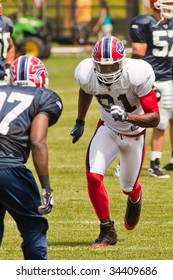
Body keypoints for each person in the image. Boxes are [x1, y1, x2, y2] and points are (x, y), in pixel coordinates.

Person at [70, 36, 160, 247]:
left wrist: (128, 117)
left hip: (134, 134)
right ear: (95, 63)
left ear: (122, 62)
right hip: (108, 129)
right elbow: (86, 90)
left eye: (112, 66)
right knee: (93, 176)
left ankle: (135, 195)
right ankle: (107, 230)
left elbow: (154, 118)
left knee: (127, 187)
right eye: (103, 66)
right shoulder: (87, 73)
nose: (108, 71)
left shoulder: (137, 73)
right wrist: (80, 121)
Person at [0, 55, 63, 259]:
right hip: (10, 168)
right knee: (33, 228)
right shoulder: (44, 97)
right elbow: (37, 141)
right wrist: (46, 187)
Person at [129, 0, 173, 178]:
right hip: (156, 79)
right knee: (158, 123)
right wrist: (142, 81)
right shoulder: (144, 22)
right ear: (156, 4)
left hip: (170, 78)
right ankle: (153, 164)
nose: (170, 6)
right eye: (168, 3)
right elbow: (137, 57)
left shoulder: (170, 22)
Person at [0, 0, 15, 84]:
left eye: (0, 2)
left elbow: (11, 46)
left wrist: (8, 66)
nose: (0, 6)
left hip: (3, 79)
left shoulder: (6, 23)